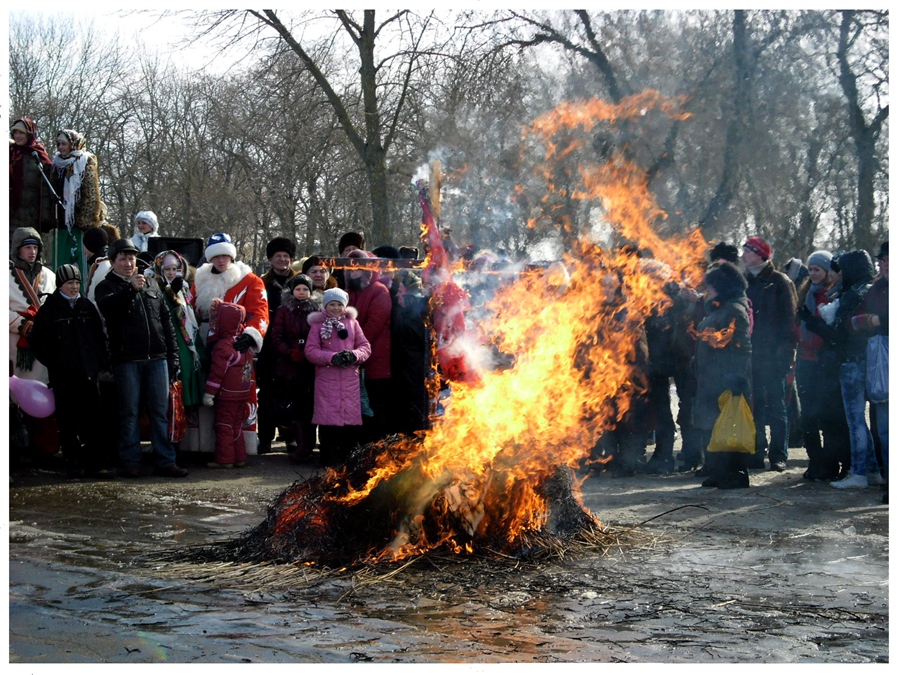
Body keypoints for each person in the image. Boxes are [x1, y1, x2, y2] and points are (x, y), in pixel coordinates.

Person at [94, 237, 188, 478]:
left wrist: (173, 356)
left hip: (157, 358)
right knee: (130, 413)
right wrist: (130, 289)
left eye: (131, 258)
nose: (128, 263)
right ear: (112, 262)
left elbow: (166, 321)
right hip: (127, 360)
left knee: (159, 412)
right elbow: (109, 310)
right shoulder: (106, 287)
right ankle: (130, 461)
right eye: (123, 259)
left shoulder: (151, 284)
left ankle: (165, 461)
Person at [29, 264, 117, 479]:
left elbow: (100, 337)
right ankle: (73, 463)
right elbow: (39, 342)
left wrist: (99, 363)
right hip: (63, 376)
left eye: (77, 283)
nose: (74, 287)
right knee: (67, 421)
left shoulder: (87, 306)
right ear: (60, 285)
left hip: (89, 374)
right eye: (70, 283)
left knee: (92, 420)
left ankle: (94, 462)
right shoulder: (50, 309)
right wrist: (56, 362)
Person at [802, 250, 879, 489]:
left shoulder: (852, 294)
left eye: (841, 269)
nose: (839, 274)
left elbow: (839, 332)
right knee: (863, 420)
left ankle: (859, 472)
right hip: (863, 358)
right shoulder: (868, 289)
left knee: (855, 420)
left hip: (850, 360)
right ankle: (872, 469)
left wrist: (815, 323)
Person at [192, 232, 269, 454]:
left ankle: (236, 448)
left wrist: (251, 335)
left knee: (232, 398)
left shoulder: (250, 280)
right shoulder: (199, 280)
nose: (221, 260)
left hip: (236, 348)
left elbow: (260, 312)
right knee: (206, 393)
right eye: (216, 256)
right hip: (203, 346)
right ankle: (204, 445)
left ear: (232, 256)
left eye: (225, 255)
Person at [693, 261, 754, 489]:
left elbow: (742, 346)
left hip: (727, 378)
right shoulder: (719, 308)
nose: (707, 291)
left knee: (730, 426)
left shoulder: (734, 310)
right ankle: (719, 470)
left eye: (710, 287)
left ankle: (736, 472)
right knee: (713, 424)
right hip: (711, 377)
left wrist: (736, 375)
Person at [741, 236, 798, 472]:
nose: (744, 256)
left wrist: (785, 354)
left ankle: (778, 455)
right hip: (751, 354)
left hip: (774, 355)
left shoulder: (779, 282)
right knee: (754, 406)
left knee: (777, 406)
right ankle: (756, 451)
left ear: (760, 254)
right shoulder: (744, 282)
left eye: (748, 251)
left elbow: (790, 320)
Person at [795, 250, 850, 481]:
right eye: (810, 269)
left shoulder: (833, 294)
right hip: (805, 360)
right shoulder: (805, 294)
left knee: (828, 416)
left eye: (817, 269)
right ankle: (815, 461)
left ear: (827, 271)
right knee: (807, 417)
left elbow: (831, 329)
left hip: (825, 363)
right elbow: (796, 324)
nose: (813, 273)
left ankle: (831, 462)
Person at [305, 288, 371, 467]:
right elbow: (310, 351)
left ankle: (348, 459)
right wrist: (331, 357)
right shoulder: (318, 326)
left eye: (339, 304)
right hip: (327, 380)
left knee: (349, 422)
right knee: (328, 421)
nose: (336, 308)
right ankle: (328, 459)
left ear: (345, 306)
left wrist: (353, 355)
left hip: (350, 380)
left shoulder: (353, 324)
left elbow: (365, 347)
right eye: (332, 304)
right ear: (325, 306)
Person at [850, 241, 889, 503]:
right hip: (881, 364)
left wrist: (878, 320)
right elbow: (860, 316)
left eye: (890, 260)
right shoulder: (877, 288)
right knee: (884, 429)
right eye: (882, 260)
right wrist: (867, 321)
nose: (885, 265)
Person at [271, 274, 321, 463]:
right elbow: (277, 336)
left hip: (312, 364)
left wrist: (312, 352)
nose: (301, 293)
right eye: (298, 289)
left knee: (311, 406)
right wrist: (289, 352)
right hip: (290, 365)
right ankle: (300, 446)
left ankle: (310, 445)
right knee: (295, 407)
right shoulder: (284, 310)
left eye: (305, 289)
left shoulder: (317, 310)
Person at [346, 248, 393, 442]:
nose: (352, 271)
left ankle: (377, 446)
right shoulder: (349, 292)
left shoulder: (379, 290)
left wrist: (353, 346)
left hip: (374, 360)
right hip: (354, 360)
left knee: (376, 405)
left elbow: (374, 324)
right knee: (358, 407)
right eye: (350, 267)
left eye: (357, 267)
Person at [257, 236, 298, 454]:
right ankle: (265, 438)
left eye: (285, 256)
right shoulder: (261, 283)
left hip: (291, 348)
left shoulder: (299, 282)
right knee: (267, 393)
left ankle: (289, 436)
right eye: (278, 256)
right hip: (268, 347)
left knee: (290, 393)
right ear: (271, 259)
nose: (282, 260)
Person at [202, 301, 254, 469]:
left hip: (226, 394)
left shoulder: (223, 346)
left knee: (223, 426)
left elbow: (217, 373)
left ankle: (225, 460)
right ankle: (240, 457)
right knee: (237, 425)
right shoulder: (244, 344)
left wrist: (209, 394)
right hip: (242, 392)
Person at [151, 250, 206, 409]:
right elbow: (160, 311)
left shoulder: (185, 289)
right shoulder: (155, 288)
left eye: (175, 269)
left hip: (187, 340)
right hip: (171, 341)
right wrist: (170, 293)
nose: (171, 273)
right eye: (167, 269)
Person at [48, 129, 103, 277]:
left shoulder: (85, 162)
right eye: (58, 144)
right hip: (62, 221)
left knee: (78, 261)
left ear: (73, 144)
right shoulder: (57, 164)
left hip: (79, 224)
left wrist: (85, 222)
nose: (60, 147)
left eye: (64, 144)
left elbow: (91, 195)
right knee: (62, 260)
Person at [9, 227, 56, 382]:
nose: (32, 252)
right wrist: (22, 324)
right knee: (17, 384)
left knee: (41, 382)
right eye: (28, 247)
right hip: (14, 340)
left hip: (43, 339)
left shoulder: (49, 276)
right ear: (18, 250)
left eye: (35, 247)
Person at [389, 270, 432, 434]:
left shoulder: (419, 316)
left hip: (415, 372)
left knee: (415, 408)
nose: (397, 295)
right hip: (403, 371)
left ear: (409, 294)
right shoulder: (401, 312)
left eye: (400, 292)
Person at [9, 117, 56, 239]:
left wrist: (45, 218)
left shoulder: (38, 155)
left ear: (29, 134)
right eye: (15, 133)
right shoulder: (10, 153)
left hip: (31, 215)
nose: (17, 136)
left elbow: (45, 191)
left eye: (21, 133)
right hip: (10, 212)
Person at [82, 226, 111, 302]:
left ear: (90, 246)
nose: (84, 250)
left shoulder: (104, 268)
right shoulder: (98, 264)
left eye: (85, 245)